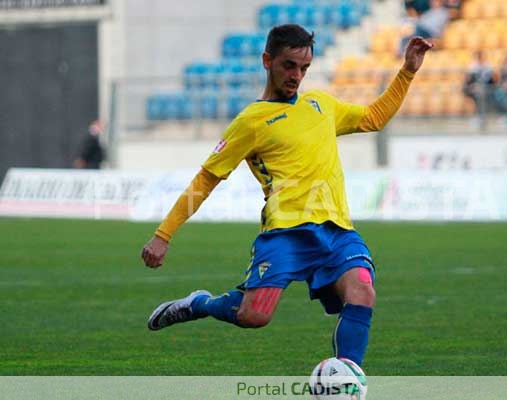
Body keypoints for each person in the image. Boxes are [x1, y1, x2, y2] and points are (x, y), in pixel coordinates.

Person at [141, 24, 432, 367]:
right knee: (255, 316)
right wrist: (164, 234)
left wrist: (408, 71)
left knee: (363, 291)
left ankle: (346, 378)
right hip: (286, 233)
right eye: (289, 66)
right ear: (268, 60)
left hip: (336, 229)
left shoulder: (320, 103)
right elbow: (207, 178)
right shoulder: (251, 122)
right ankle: (200, 304)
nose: (297, 75)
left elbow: (373, 117)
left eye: (304, 68)